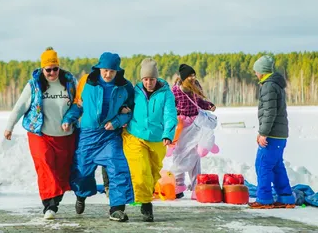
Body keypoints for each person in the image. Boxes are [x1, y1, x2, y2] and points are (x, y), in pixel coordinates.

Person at [4, 47, 77, 219]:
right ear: (42, 69)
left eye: (55, 69)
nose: (52, 73)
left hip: (65, 136)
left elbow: (79, 103)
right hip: (40, 134)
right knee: (44, 165)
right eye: (48, 69)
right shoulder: (34, 85)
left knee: (61, 171)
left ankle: (55, 200)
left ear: (59, 68)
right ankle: (48, 206)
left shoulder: (69, 82)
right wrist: (9, 126)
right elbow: (20, 106)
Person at [62, 52, 134, 222]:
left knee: (118, 167)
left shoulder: (125, 87)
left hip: (109, 136)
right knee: (82, 170)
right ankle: (81, 195)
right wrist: (68, 119)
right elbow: (78, 105)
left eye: (112, 71)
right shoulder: (87, 82)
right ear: (99, 68)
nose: (108, 74)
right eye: (105, 70)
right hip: (88, 135)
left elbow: (130, 111)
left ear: (117, 71)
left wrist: (117, 121)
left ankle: (117, 208)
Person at [122, 58, 177, 222]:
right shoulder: (136, 90)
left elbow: (170, 115)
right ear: (141, 79)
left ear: (156, 78)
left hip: (157, 138)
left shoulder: (166, 94)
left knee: (153, 173)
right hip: (135, 136)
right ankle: (146, 205)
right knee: (141, 171)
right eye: (145, 79)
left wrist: (168, 134)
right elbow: (127, 104)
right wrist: (125, 110)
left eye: (151, 79)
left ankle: (145, 195)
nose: (148, 83)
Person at [248, 55, 296, 209]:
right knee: (276, 166)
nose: (255, 73)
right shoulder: (275, 84)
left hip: (273, 134)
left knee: (262, 165)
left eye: (256, 71)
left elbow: (270, 112)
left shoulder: (268, 86)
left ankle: (264, 199)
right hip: (279, 134)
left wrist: (263, 133)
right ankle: (286, 197)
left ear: (261, 71)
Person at [169, 64, 216, 199]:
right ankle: (178, 186)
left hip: (196, 125)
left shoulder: (196, 87)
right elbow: (170, 108)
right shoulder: (175, 91)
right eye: (190, 75)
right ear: (183, 78)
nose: (192, 78)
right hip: (181, 127)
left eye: (193, 75)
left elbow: (200, 102)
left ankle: (196, 187)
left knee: (195, 155)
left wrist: (209, 106)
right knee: (180, 154)